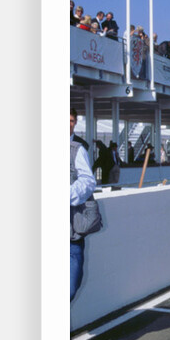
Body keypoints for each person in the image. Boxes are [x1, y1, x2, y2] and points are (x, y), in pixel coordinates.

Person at [70, 114, 96, 302]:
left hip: (71, 232)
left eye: (71, 121)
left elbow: (88, 181)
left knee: (70, 287)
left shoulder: (78, 149)